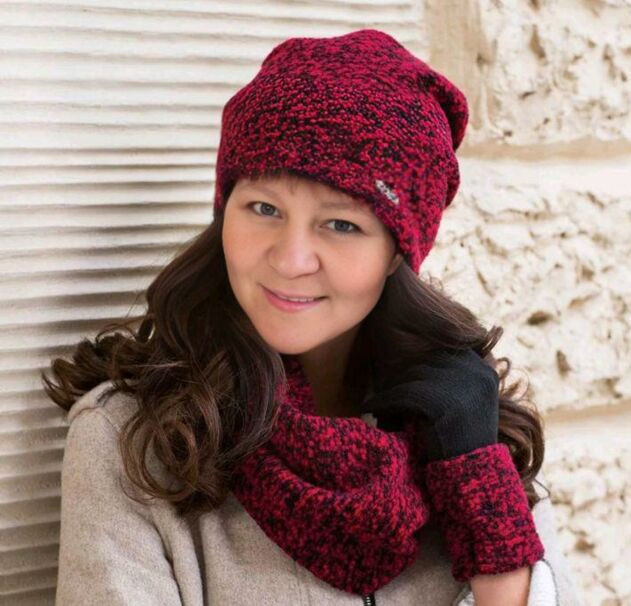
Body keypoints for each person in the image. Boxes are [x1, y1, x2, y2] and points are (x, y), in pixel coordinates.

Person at [46, 29, 585, 605]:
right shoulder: (137, 437)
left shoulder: (472, 425)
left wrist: (480, 491)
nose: (290, 259)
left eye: (341, 224)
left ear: (398, 252)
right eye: (264, 208)